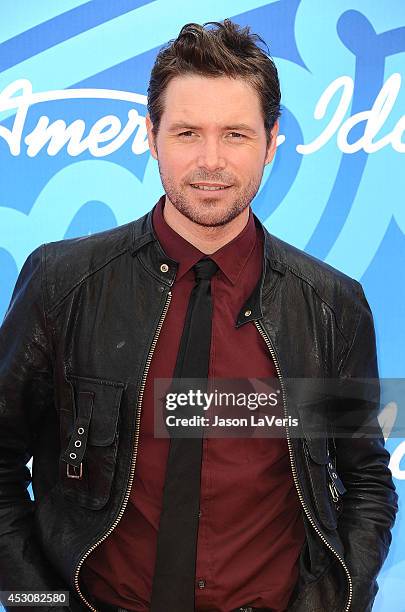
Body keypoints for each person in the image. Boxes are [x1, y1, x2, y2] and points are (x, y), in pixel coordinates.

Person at [0, 19, 398, 612]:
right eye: (188, 132)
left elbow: (365, 481)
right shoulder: (65, 283)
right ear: (151, 134)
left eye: (235, 134)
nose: (210, 161)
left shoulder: (330, 307)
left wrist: (336, 601)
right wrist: (40, 606)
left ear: (272, 140)